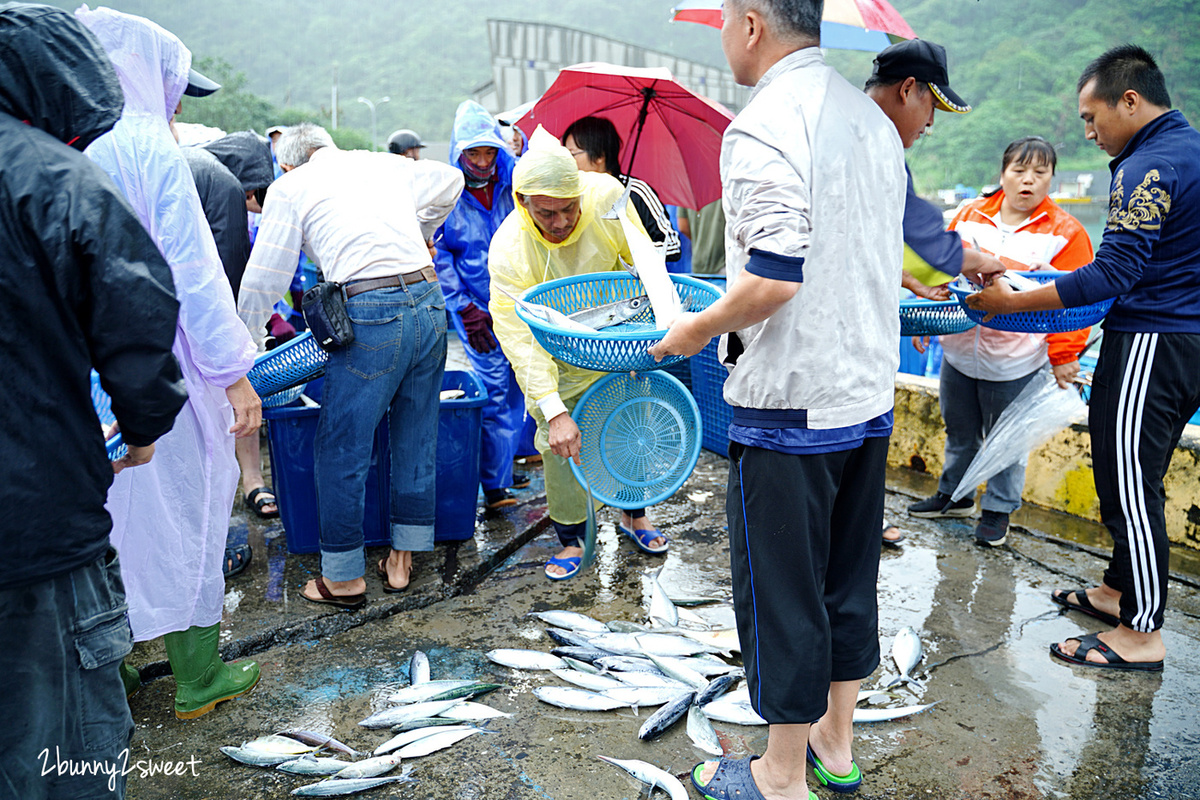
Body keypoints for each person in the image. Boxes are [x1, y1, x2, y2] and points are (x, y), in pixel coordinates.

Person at [648, 1, 906, 797]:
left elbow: (772, 274)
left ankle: (780, 774)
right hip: (865, 393)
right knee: (845, 579)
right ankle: (835, 744)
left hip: (791, 405)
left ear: (753, 24)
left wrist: (693, 332)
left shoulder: (764, 121)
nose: (723, 35)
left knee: (784, 592)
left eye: (726, 19)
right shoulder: (872, 121)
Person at [0, 6, 187, 795]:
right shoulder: (55, 178)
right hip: (35, 522)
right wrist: (142, 425)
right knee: (65, 745)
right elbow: (140, 321)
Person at [968, 45, 1200, 672]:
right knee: (1133, 472)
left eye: (1092, 118)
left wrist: (1013, 303)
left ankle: (1142, 632)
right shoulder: (1191, 151)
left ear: (1130, 101)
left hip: (1153, 340)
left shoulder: (1144, 166)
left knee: (1129, 485)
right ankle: (1116, 591)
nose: (1091, 133)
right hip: (1184, 341)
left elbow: (1112, 273)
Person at [77, 6, 264, 720]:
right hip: (166, 371)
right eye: (175, 82)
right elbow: (193, 277)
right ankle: (197, 674)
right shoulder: (151, 148)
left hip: (89, 377)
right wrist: (233, 375)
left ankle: (112, 671)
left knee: (110, 521)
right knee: (192, 508)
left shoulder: (68, 144)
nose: (180, 100)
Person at [239, 123, 464, 606]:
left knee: (343, 446)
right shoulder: (379, 161)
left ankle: (342, 578)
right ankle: (401, 562)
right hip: (427, 300)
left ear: (286, 162)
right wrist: (421, 231)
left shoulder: (290, 187)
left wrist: (245, 351)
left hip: (369, 312)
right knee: (416, 434)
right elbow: (451, 180)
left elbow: (263, 281)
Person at [489, 127, 670, 581]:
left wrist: (663, 326)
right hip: (554, 356)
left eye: (569, 209)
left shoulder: (606, 196)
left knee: (632, 430)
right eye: (547, 213)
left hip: (614, 344)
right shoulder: (509, 250)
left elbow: (646, 261)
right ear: (523, 201)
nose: (561, 222)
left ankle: (634, 515)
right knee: (561, 448)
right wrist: (552, 410)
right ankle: (572, 538)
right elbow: (519, 338)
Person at [909, 136, 1094, 545]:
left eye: (1039, 173)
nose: (1028, 181)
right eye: (1019, 170)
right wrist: (928, 324)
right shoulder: (969, 214)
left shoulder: (1066, 233)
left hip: (1016, 359)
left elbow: (1076, 300)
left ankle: (997, 510)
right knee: (959, 430)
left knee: (1006, 440)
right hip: (958, 351)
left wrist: (1064, 354)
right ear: (1003, 174)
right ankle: (953, 496)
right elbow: (939, 266)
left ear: (1051, 179)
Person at [862, 37, 1005, 547]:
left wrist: (904, 278)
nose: (929, 125)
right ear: (908, 89)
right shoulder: (874, 142)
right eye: (931, 107)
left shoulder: (840, 129)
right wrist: (986, 261)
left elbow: (854, 238)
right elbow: (924, 233)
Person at [182, 130, 283, 549]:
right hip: (207, 326)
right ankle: (214, 530)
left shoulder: (185, 166)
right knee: (233, 407)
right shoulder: (219, 182)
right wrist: (237, 343)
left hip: (165, 323)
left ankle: (251, 483)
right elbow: (228, 275)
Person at [433, 101, 530, 510]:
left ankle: (503, 468)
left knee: (522, 386)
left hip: (519, 300)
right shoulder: (448, 194)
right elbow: (441, 256)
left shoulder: (513, 183)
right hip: (477, 311)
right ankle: (493, 486)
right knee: (493, 390)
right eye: (473, 153)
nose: (482, 160)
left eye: (489, 151)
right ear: (459, 152)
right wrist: (466, 308)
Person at [561, 115, 682, 263]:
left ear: (599, 155)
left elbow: (672, 246)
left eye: (572, 154)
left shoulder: (635, 191)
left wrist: (625, 251)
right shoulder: (572, 196)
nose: (568, 162)